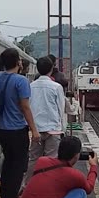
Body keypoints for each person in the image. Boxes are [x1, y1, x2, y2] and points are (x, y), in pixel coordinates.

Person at [14, 136, 98, 198]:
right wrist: (93, 166)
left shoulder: (42, 161)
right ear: (76, 156)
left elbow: (56, 171)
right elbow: (89, 188)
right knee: (81, 193)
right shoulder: (74, 175)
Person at [0, 48, 40, 198]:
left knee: (8, 162)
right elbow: (25, 107)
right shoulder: (21, 81)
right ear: (18, 62)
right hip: (17, 128)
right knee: (18, 164)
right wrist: (34, 130)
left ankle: (4, 197)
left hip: (3, 128)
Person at [22, 57, 66, 189]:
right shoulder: (56, 87)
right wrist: (62, 129)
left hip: (36, 129)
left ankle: (27, 186)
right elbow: (61, 108)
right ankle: (49, 187)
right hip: (53, 129)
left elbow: (27, 106)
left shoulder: (31, 86)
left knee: (34, 159)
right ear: (51, 69)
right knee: (52, 160)